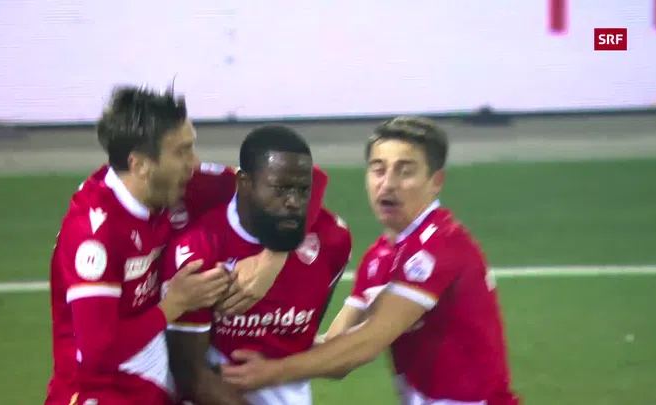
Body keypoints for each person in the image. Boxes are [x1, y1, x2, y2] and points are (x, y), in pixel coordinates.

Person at [44, 86, 329, 405]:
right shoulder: (94, 233)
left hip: (153, 379)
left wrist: (271, 258)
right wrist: (173, 305)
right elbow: (98, 355)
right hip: (98, 391)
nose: (194, 163)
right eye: (182, 152)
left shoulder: (181, 186)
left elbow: (310, 179)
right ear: (140, 165)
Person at [222, 117, 521, 405]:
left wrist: (271, 372)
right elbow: (335, 349)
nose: (387, 184)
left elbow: (369, 341)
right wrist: (258, 340)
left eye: (405, 171)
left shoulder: (441, 243)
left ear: (436, 181)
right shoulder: (380, 256)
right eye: (378, 170)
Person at [161, 125, 352, 405]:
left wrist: (275, 255)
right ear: (244, 183)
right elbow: (190, 372)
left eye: (303, 190)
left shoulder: (332, 241)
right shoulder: (199, 250)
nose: (293, 202)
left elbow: (301, 339)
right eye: (280, 189)